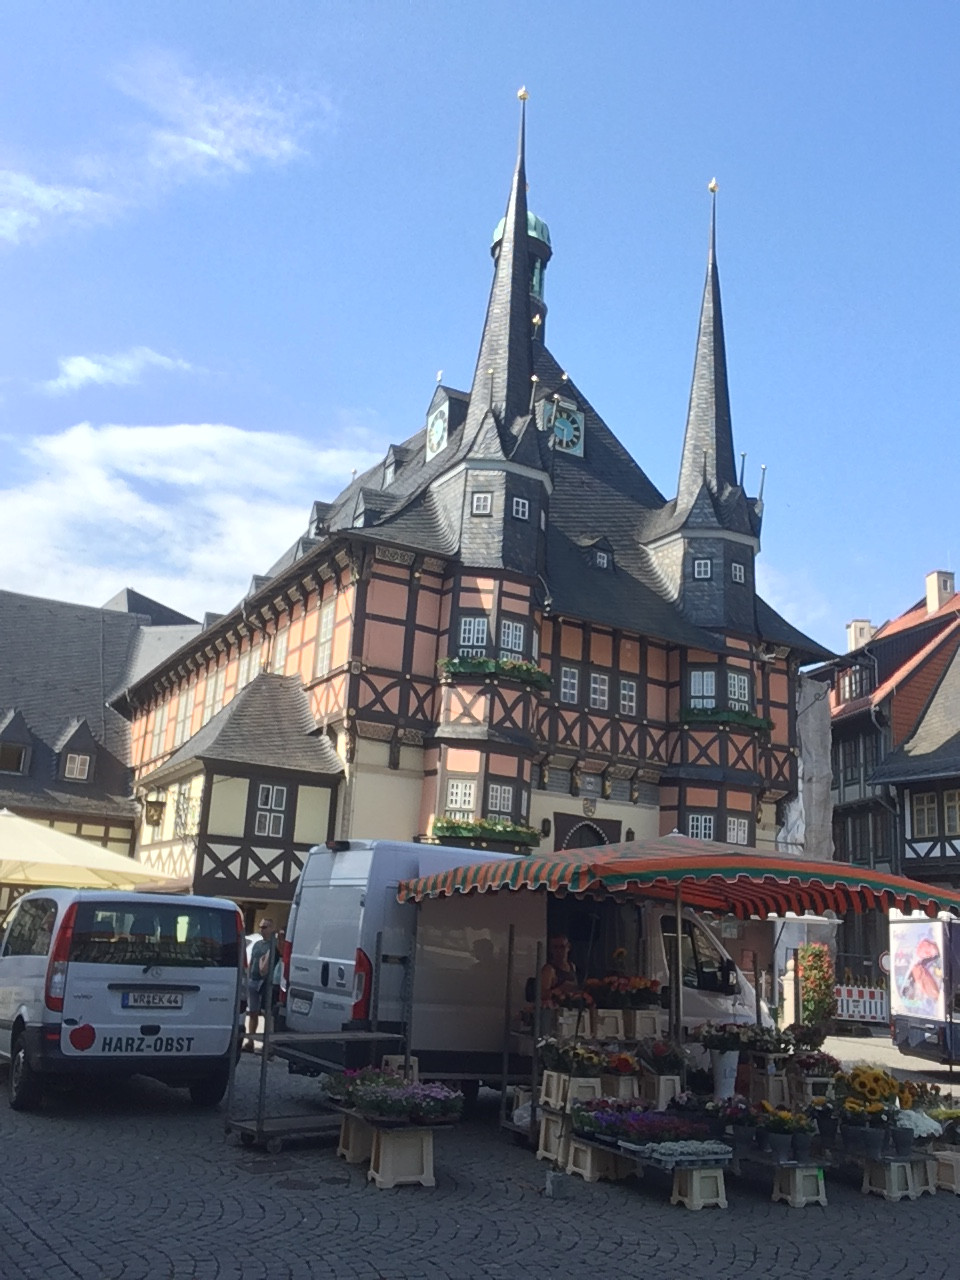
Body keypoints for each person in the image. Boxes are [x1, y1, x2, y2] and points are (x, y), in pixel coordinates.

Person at [245, 918, 275, 1051]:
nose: (262, 930)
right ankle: (250, 1041)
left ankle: (267, 1044)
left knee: (266, 1013)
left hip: (265, 982)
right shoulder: (257, 944)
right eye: (260, 927)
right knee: (253, 1012)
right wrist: (248, 976)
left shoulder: (273, 945)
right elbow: (251, 961)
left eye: (265, 927)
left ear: (271, 929)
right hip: (253, 979)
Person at [540, 934, 580, 1004]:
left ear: (568, 947)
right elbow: (541, 995)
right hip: (555, 1007)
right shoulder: (549, 970)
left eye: (562, 947)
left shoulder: (572, 966)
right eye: (555, 947)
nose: (559, 951)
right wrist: (560, 989)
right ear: (551, 950)